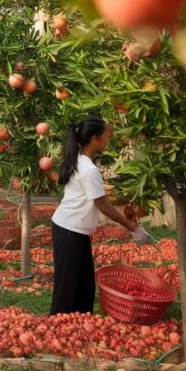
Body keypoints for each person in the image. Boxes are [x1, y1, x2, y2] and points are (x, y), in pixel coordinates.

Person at [50, 115, 150, 316]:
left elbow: (91, 191)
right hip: (69, 230)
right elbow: (103, 205)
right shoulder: (89, 169)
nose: (108, 139)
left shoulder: (81, 160)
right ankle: (57, 324)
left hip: (73, 230)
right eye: (106, 135)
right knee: (68, 287)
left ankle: (78, 323)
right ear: (94, 138)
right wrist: (133, 227)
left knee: (85, 285)